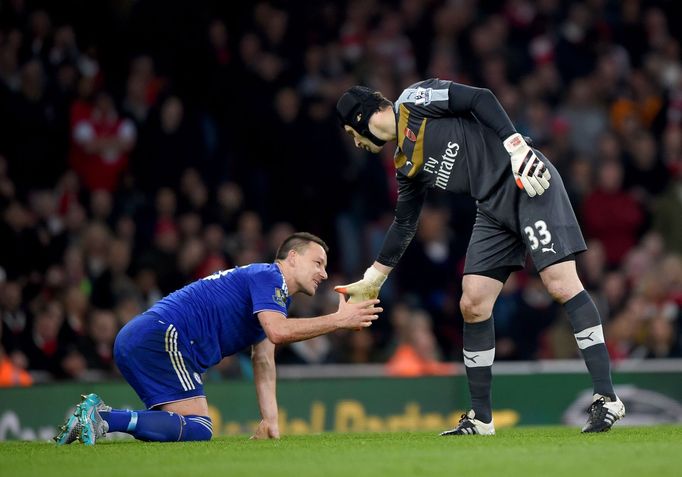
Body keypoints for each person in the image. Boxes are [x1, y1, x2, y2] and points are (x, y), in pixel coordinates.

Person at [334, 80, 625, 434]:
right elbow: (405, 223)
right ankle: (481, 419)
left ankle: (607, 398)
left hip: (525, 179)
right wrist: (373, 278)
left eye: (353, 132)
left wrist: (517, 147)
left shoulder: (414, 101)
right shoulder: (405, 163)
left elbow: (479, 98)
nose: (356, 142)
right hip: (491, 207)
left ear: (363, 117)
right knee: (472, 302)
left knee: (560, 283)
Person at [55, 232, 381, 445]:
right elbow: (278, 332)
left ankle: (94, 418)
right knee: (199, 428)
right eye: (318, 262)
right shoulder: (269, 276)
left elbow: (264, 358)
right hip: (164, 337)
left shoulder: (273, 296)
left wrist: (270, 421)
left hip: (146, 337)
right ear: (292, 257)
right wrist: (339, 321)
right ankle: (101, 418)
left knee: (187, 429)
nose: (323, 273)